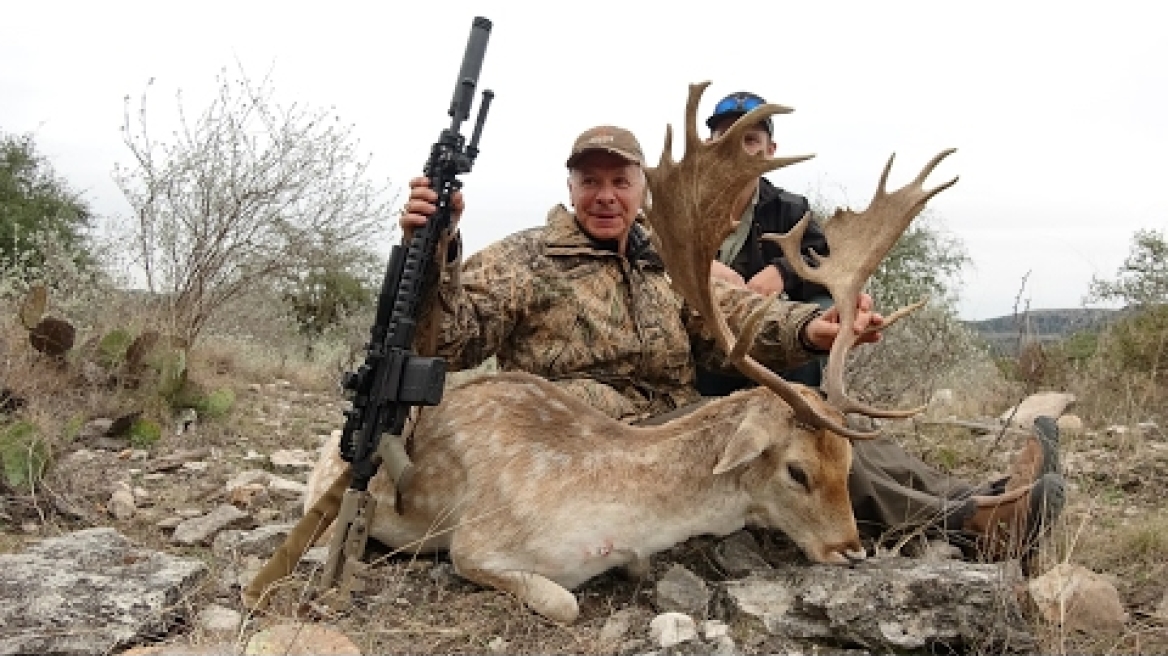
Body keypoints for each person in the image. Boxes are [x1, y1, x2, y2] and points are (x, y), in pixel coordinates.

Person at [400, 125, 1065, 567]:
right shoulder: (524, 259)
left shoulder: (665, 261)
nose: (604, 195)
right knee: (794, 445)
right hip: (592, 447)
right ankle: (971, 524)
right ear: (570, 187)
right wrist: (431, 257)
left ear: (640, 188)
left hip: (673, 426)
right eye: (589, 181)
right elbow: (448, 339)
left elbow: (729, 316)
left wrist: (810, 328)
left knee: (823, 421)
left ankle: (984, 494)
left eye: (619, 181)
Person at [697, 91, 831, 395]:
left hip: (769, 333)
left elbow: (826, 261)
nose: (738, 150)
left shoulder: (791, 210)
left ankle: (797, 415)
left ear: (771, 150)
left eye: (750, 140)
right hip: (702, 334)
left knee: (819, 314)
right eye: (726, 137)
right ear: (709, 146)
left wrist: (784, 272)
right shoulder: (681, 209)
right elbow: (651, 249)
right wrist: (702, 267)